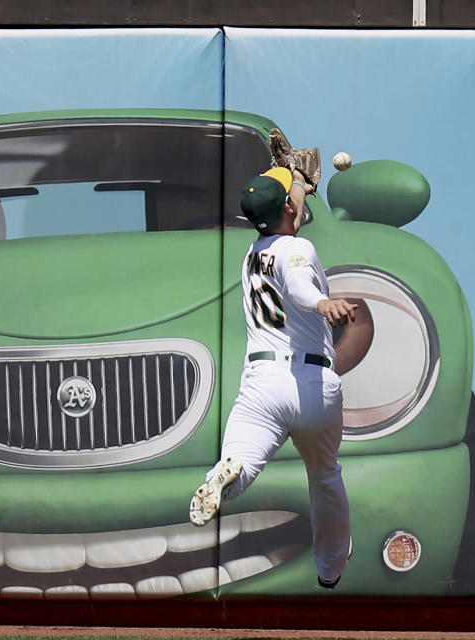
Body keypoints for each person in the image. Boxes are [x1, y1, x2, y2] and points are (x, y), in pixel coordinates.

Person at [188, 166, 356, 589]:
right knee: (324, 476)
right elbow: (300, 284)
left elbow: (289, 214)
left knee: (241, 462)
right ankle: (330, 568)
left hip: (262, 383)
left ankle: (223, 478)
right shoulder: (296, 249)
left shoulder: (253, 253)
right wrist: (322, 304)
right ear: (284, 209)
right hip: (311, 383)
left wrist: (298, 181)